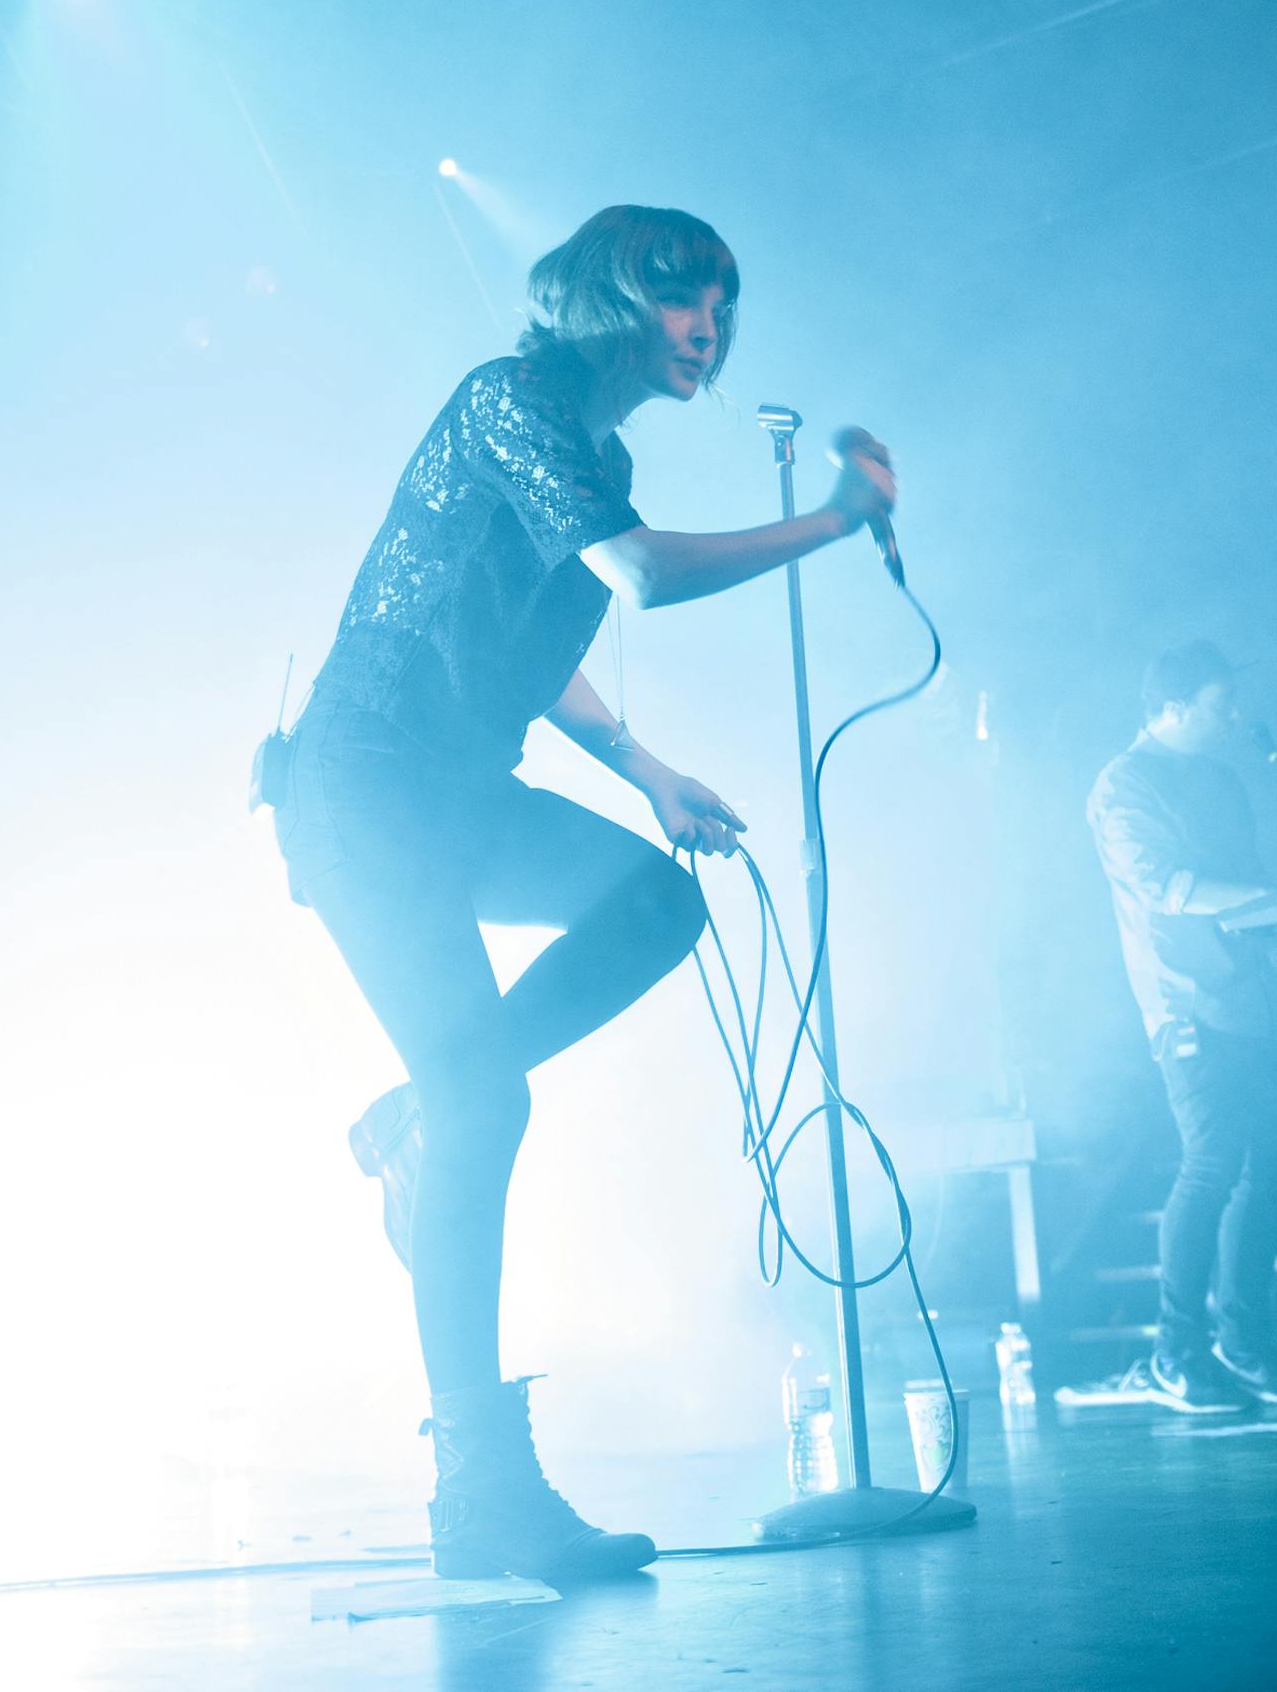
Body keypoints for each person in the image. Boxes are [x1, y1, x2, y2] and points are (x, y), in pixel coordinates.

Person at [270, 205, 896, 1584]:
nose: (714, 329)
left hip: (456, 790)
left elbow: (531, 644)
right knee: (492, 1100)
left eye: (728, 306)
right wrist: (837, 519)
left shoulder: (591, 452)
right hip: (366, 788)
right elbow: (643, 576)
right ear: (615, 299)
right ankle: (481, 1491)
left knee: (657, 905)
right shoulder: (509, 402)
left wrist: (647, 766)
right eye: (689, 299)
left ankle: (408, 1113)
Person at [1085, 641, 1277, 1410]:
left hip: (1254, 999)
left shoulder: (1220, 778)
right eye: (1220, 705)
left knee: (1268, 1170)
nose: (1234, 718)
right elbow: (1161, 885)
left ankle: (1245, 1340)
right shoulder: (1124, 784)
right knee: (1213, 1163)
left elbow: (1244, 880)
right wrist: (1268, 903)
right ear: (1174, 707)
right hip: (1187, 1004)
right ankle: (1175, 1351)